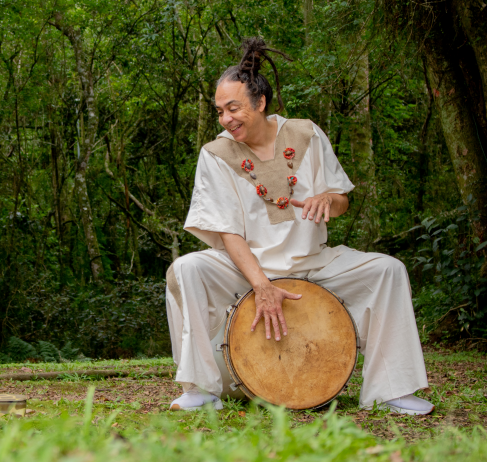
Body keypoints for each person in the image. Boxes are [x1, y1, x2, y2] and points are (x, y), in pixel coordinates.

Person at [166, 38, 434, 415]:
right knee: (187, 268)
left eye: (233, 108)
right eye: (220, 111)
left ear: (259, 103)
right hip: (245, 268)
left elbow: (340, 200)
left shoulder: (306, 133)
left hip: (312, 261)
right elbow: (227, 232)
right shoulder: (215, 153)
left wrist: (328, 200)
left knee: (388, 270)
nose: (226, 118)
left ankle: (392, 389)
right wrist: (261, 285)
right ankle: (200, 388)